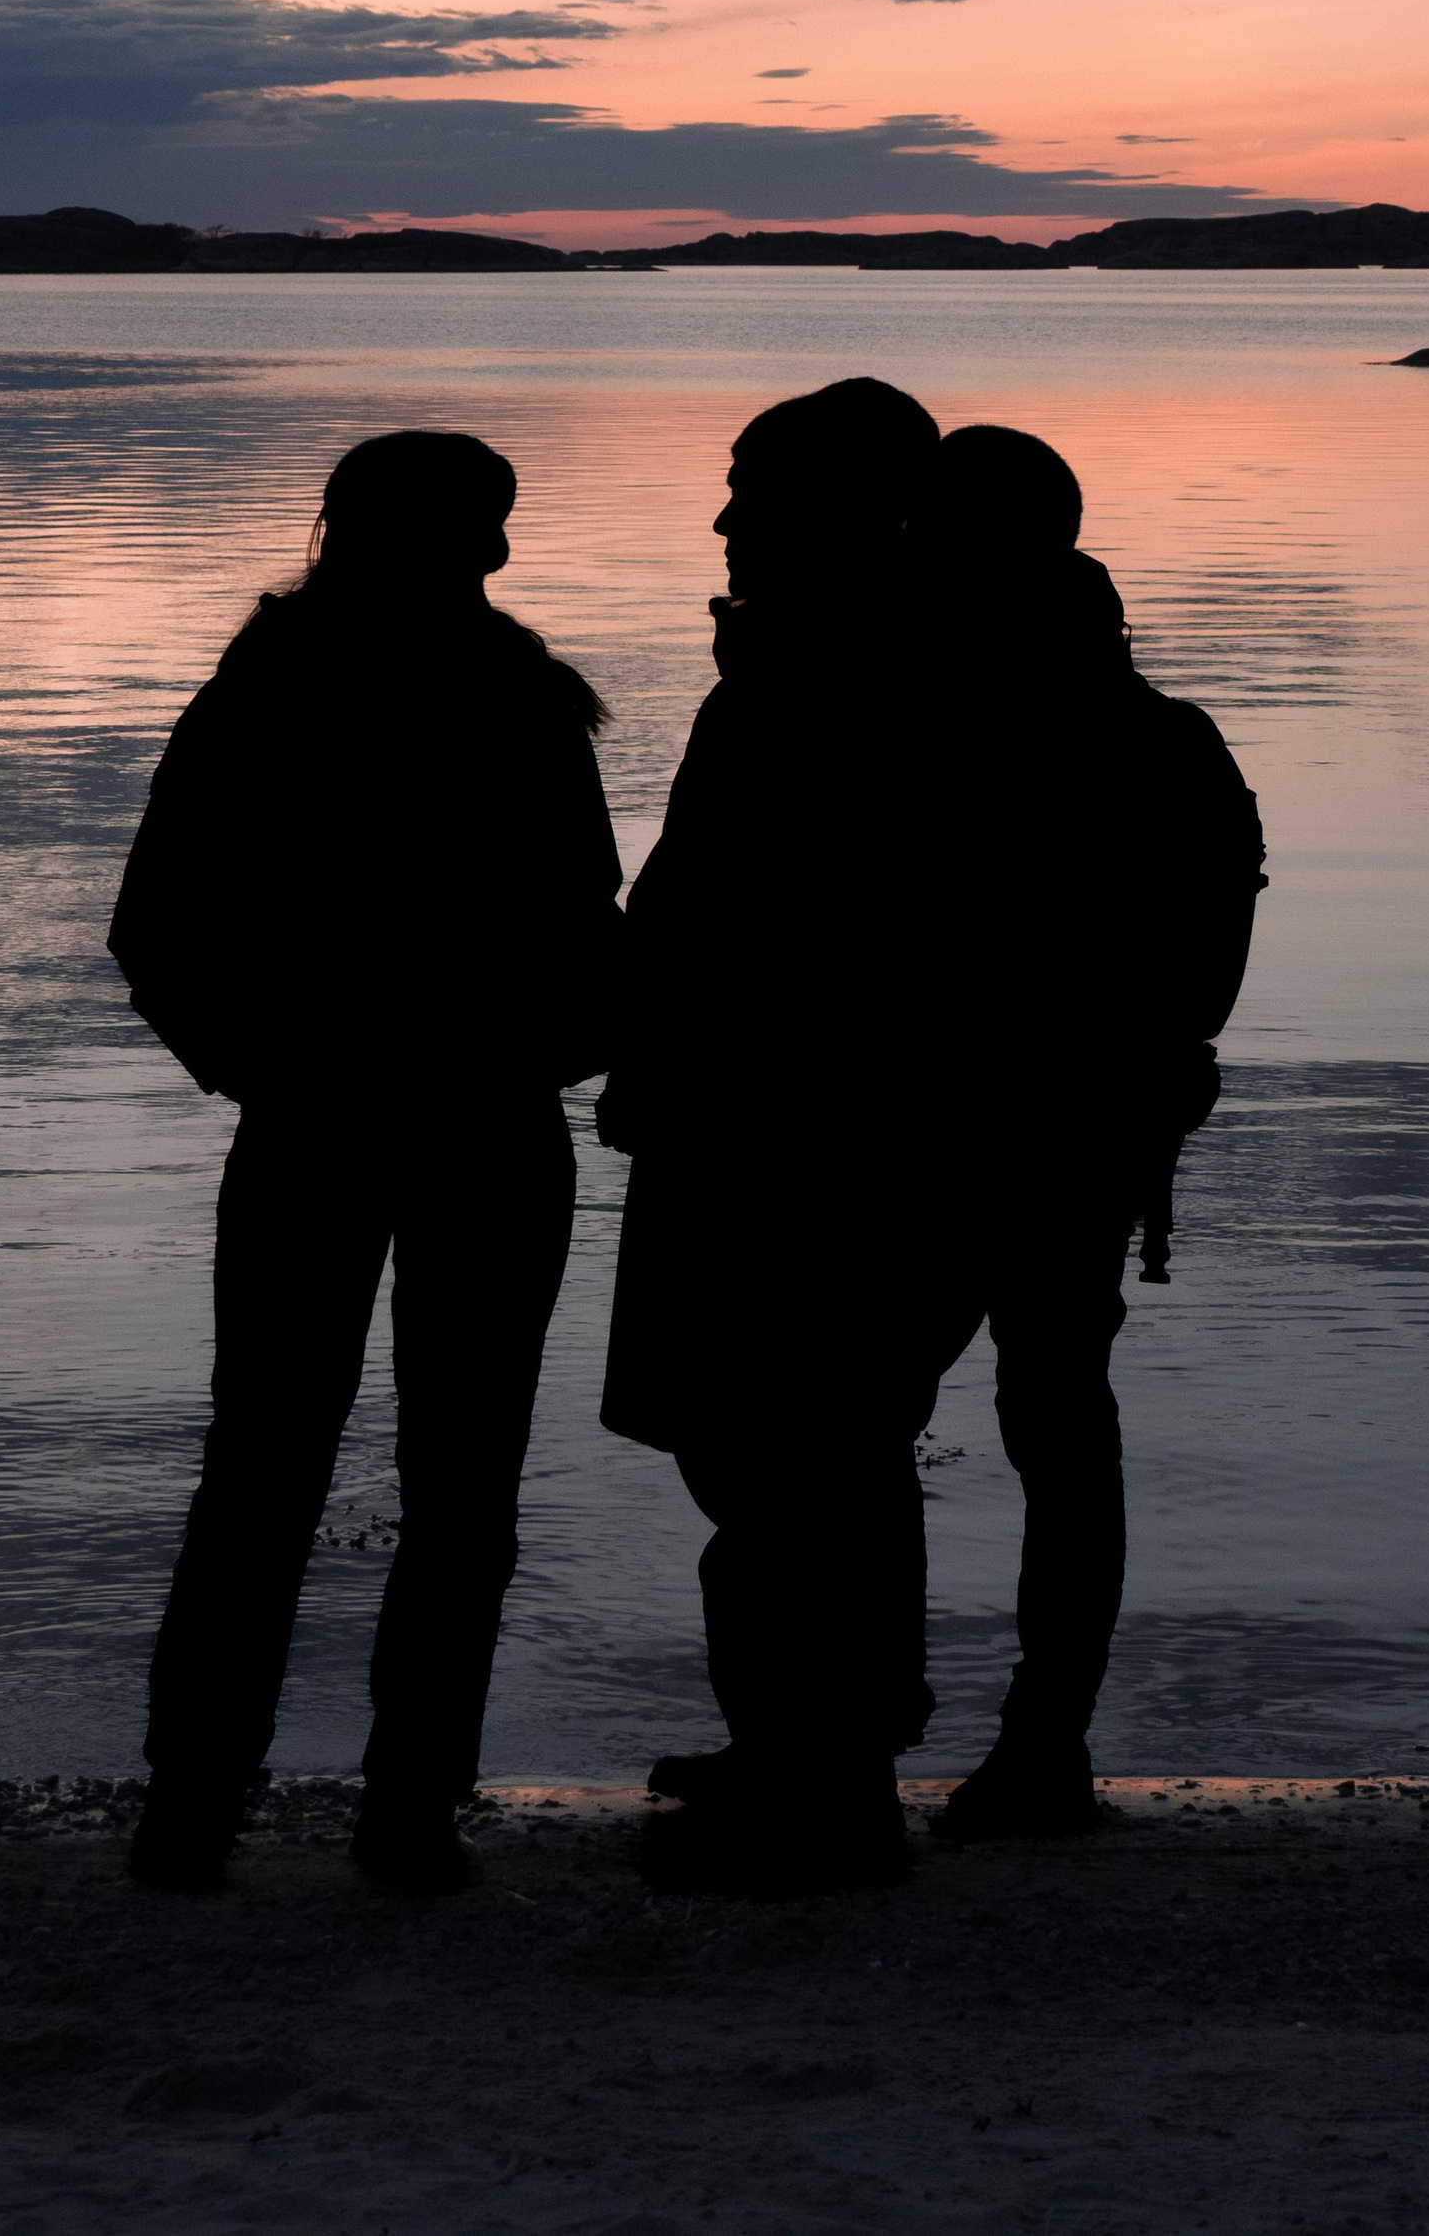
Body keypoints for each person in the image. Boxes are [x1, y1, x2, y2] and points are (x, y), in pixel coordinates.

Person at [597, 391, 1263, 1887]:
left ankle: (855, 1762)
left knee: (836, 1439)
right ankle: (943, 1743)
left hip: (939, 1139)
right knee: (965, 1434)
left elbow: (797, 920)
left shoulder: (883, 689)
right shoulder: (1098, 709)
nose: (725, 528)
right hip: (1037, 1134)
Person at [111, 430, 623, 1897]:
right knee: (444, 1482)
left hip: (345, 1128)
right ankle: (383, 1813)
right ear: (480, 546)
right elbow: (596, 932)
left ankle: (212, 1808)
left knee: (274, 1473)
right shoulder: (513, 701)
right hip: (440, 1128)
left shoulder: (271, 692)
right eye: (488, 527)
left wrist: (266, 1067)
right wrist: (545, 1049)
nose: (500, 553)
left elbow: (158, 929)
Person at [598, 375, 947, 1894]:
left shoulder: (850, 666)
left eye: (753, 488)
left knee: (792, 1450)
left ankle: (829, 1783)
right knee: (804, 1455)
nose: (725, 515)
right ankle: (812, 1751)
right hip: (767, 1114)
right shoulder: (819, 657)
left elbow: (785, 916)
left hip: (797, 1133)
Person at [907, 423, 1266, 1843]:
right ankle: (1031, 1740)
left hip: (977, 1125)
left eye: (930, 527)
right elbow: (1209, 966)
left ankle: (939, 1735)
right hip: (1086, 1125)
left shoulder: (928, 715)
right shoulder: (1160, 731)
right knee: (1053, 1424)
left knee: (900, 1417)